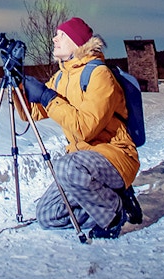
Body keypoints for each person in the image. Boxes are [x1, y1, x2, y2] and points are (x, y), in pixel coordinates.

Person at [19, 17, 142, 238]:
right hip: (82, 163)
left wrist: (48, 97)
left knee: (65, 167)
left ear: (77, 43)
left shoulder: (99, 75)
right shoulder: (60, 78)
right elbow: (31, 113)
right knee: (47, 215)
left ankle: (113, 215)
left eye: (61, 35)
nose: (54, 38)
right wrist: (17, 84)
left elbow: (85, 128)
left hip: (115, 156)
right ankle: (114, 199)